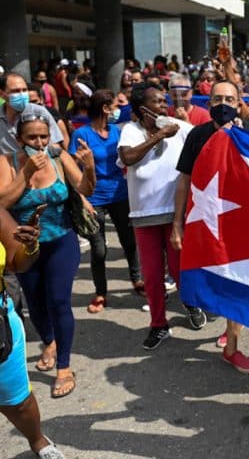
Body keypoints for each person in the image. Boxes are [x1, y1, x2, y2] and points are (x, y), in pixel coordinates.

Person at [0, 114, 96, 399]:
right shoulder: (8, 162)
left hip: (61, 241)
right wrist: (26, 173)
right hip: (24, 247)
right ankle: (49, 342)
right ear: (19, 140)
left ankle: (64, 367)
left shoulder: (59, 156)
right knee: (35, 304)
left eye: (43, 136)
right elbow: (3, 203)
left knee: (58, 301)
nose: (39, 143)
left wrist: (89, 169)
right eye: (32, 138)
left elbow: (85, 189)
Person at [172, 80, 249, 372]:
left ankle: (232, 343)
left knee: (237, 281)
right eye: (217, 99)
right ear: (208, 102)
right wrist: (177, 224)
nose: (222, 104)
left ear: (239, 103)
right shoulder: (197, 135)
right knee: (213, 278)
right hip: (206, 220)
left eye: (229, 98)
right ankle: (227, 321)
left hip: (242, 222)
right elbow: (184, 180)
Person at [118, 83, 207, 350]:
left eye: (163, 100)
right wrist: (159, 136)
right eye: (157, 102)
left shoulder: (176, 127)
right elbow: (128, 157)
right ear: (142, 108)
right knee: (153, 275)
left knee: (181, 271)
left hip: (174, 214)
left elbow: (204, 139)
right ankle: (158, 325)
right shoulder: (130, 131)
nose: (163, 106)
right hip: (144, 215)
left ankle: (190, 304)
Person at [0, 205, 67, 458]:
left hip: (0, 327)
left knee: (18, 401)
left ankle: (37, 440)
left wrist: (29, 246)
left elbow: (18, 261)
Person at [69, 90, 144, 313]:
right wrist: (82, 199)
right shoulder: (81, 135)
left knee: (129, 242)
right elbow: (73, 170)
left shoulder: (117, 132)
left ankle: (137, 279)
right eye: (114, 105)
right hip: (94, 198)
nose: (117, 109)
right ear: (104, 108)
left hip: (120, 194)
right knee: (99, 249)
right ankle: (100, 292)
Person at [0, 73, 64, 154]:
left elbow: (56, 144)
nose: (21, 94)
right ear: (2, 94)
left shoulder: (39, 112)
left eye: (24, 90)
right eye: (15, 91)